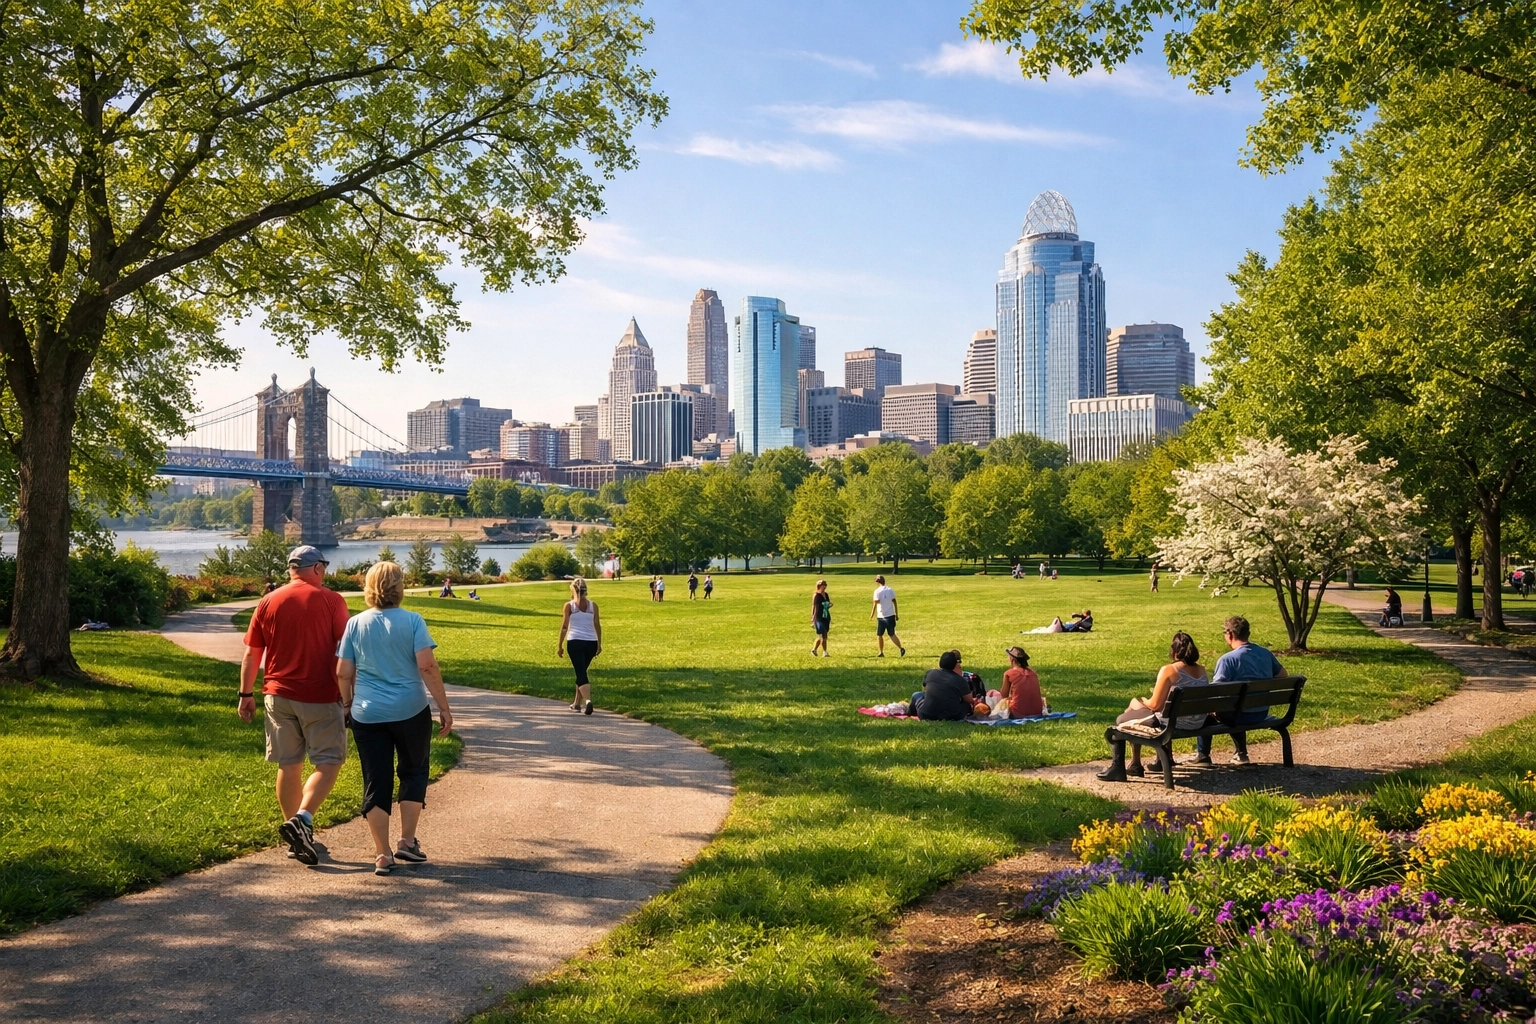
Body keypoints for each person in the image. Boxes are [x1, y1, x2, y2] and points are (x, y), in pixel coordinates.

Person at [336, 562, 454, 876]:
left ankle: (382, 854)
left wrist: (348, 704)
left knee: (376, 779)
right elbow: (427, 667)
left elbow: (343, 672)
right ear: (399, 587)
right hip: (410, 709)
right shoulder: (413, 621)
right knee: (414, 770)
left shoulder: (355, 624)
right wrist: (444, 707)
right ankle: (407, 841)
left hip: (367, 712)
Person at [238, 545, 351, 865]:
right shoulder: (331, 600)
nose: (325, 572)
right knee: (329, 762)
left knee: (289, 765)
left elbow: (251, 654)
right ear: (316, 568)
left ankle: (297, 838)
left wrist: (245, 695)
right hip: (320, 695)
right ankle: (302, 821)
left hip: (277, 695)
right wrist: (350, 694)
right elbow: (346, 650)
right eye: (324, 566)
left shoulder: (268, 601)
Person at [1096, 632, 1208, 781]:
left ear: (1173, 651)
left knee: (1123, 719)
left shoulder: (1169, 670)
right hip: (1197, 722)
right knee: (1141, 713)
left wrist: (1140, 701)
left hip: (1174, 723)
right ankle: (1158, 760)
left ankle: (1128, 766)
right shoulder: (1202, 670)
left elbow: (1154, 705)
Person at [1194, 615, 1285, 765]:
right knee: (1237, 706)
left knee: (1211, 711)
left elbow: (1216, 692)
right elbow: (1283, 675)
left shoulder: (1227, 659)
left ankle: (1203, 755)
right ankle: (1241, 754)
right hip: (1261, 712)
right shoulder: (1265, 653)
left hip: (1238, 715)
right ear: (1247, 634)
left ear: (1230, 635)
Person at [557, 577, 601, 715]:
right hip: (591, 642)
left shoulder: (569, 606)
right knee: (581, 671)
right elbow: (597, 625)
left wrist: (559, 645)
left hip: (575, 641)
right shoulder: (593, 606)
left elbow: (564, 627)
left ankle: (588, 701)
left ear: (573, 589)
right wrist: (599, 644)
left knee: (580, 673)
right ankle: (577, 703)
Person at [909, 650, 973, 721]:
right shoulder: (960, 680)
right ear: (955, 665)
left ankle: (910, 714)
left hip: (926, 714)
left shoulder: (930, 673)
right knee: (967, 706)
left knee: (916, 695)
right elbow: (969, 700)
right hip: (951, 716)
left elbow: (925, 690)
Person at [1000, 646, 1044, 718]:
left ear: (1011, 659)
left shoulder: (1008, 674)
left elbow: (1003, 696)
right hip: (1037, 712)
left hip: (1018, 713)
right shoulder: (1033, 673)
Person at [870, 574, 905, 657]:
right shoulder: (890, 590)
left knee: (879, 635)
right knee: (892, 634)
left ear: (877, 582)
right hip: (890, 616)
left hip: (881, 616)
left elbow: (875, 603)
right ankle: (901, 648)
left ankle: (881, 652)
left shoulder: (877, 591)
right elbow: (894, 601)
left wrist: (871, 614)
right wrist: (896, 614)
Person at [811, 579, 833, 657]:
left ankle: (814, 650)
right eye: (823, 585)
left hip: (826, 616)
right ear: (819, 586)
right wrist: (813, 618)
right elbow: (814, 607)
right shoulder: (816, 595)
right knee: (823, 635)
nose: (825, 586)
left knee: (823, 635)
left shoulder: (826, 594)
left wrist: (829, 605)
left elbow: (827, 603)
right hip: (818, 617)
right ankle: (825, 652)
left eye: (825, 585)